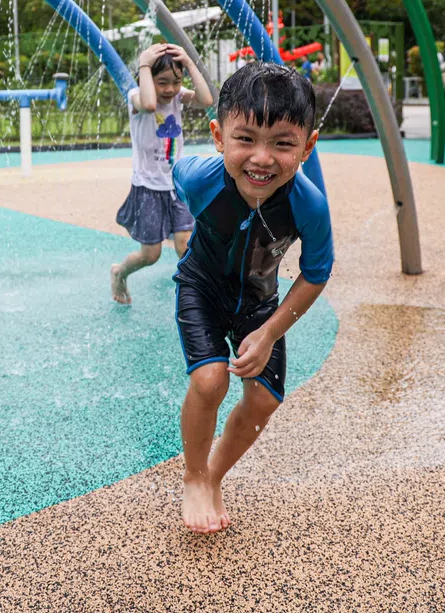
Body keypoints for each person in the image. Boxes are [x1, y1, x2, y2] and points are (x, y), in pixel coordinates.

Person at [170, 62, 333, 534]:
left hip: (260, 302)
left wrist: (268, 333)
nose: (261, 159)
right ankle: (195, 475)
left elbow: (316, 273)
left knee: (263, 401)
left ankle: (216, 475)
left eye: (283, 143)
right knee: (209, 381)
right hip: (200, 285)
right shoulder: (199, 177)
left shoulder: (308, 205)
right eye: (245, 140)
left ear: (308, 145)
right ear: (219, 137)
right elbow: (175, 179)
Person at [110, 43, 214, 305]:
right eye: (162, 82)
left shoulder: (178, 97)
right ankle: (119, 273)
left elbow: (206, 100)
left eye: (176, 82)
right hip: (148, 187)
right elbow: (148, 103)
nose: (170, 89)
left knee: (184, 243)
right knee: (151, 254)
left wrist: (190, 64)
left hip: (176, 184)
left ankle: (198, 293)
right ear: (148, 78)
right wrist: (144, 63)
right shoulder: (136, 96)